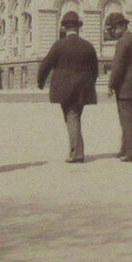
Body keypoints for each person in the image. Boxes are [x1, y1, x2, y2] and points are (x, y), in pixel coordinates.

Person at [37, 11, 98, 163]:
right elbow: (95, 69)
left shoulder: (59, 45)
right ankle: (76, 149)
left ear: (64, 28)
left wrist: (40, 82)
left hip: (64, 88)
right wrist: (90, 83)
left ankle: (76, 153)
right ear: (78, 28)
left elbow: (46, 64)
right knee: (75, 116)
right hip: (84, 88)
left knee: (71, 117)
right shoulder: (88, 46)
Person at [105, 12, 132, 161]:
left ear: (121, 27)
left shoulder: (123, 42)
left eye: (113, 29)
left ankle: (130, 152)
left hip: (125, 87)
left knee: (126, 118)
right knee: (126, 117)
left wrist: (111, 84)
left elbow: (118, 66)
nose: (112, 33)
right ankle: (125, 149)